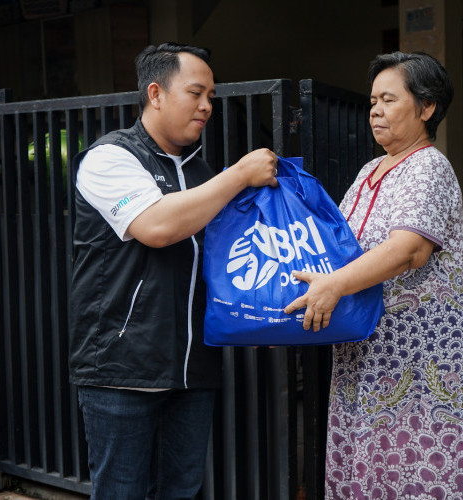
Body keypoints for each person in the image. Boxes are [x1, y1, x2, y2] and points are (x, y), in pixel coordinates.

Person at [69, 43, 278, 499]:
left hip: (194, 370)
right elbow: (157, 226)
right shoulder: (110, 158)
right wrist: (239, 175)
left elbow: (228, 262)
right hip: (121, 370)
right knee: (122, 492)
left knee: (181, 491)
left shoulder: (203, 173)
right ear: (156, 93)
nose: (206, 106)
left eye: (212, 97)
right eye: (196, 93)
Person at [285, 52, 463, 498]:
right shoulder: (370, 170)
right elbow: (338, 243)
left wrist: (335, 284)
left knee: (412, 461)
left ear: (426, 107)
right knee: (369, 458)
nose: (374, 110)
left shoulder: (429, 166)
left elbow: (408, 249)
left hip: (418, 353)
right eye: (373, 100)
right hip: (369, 346)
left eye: (388, 99)